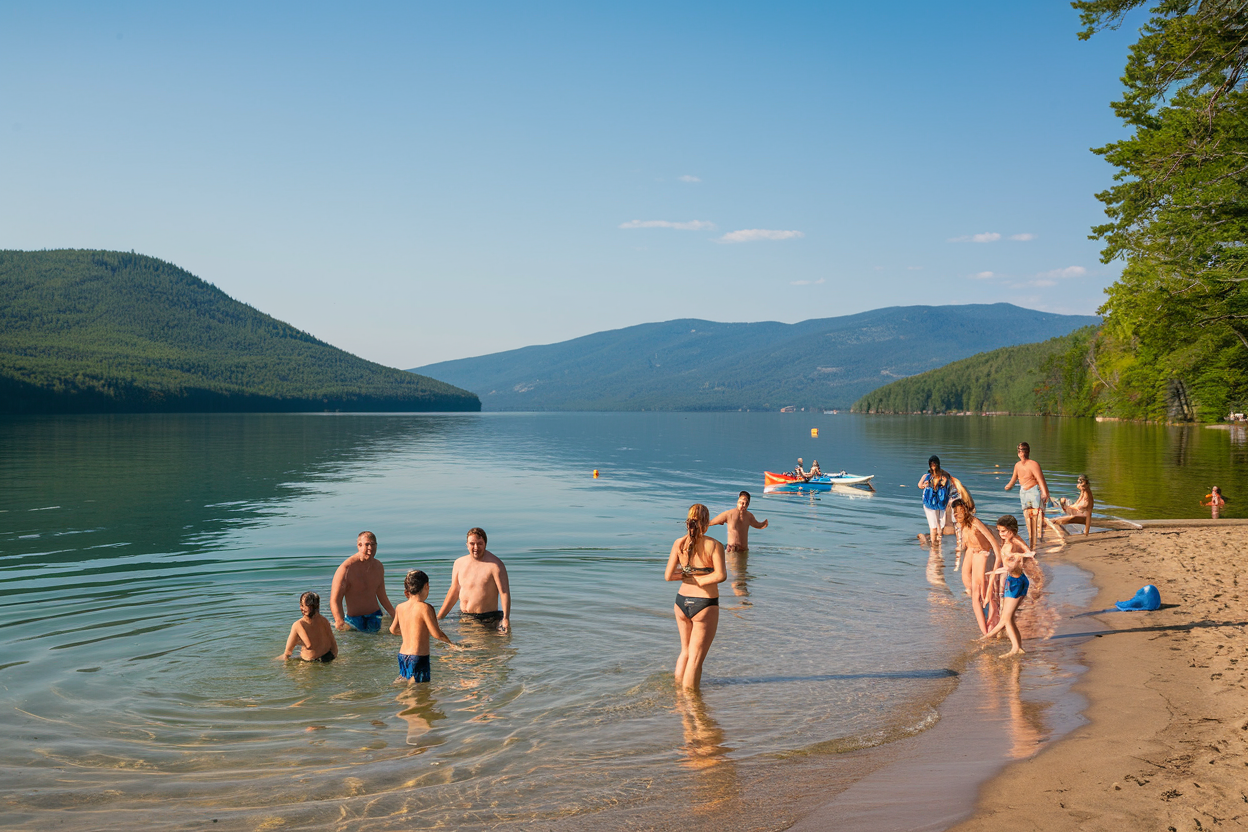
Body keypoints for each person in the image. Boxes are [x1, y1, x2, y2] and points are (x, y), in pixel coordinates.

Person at [665, 504, 726, 690]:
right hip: (704, 604)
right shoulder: (714, 545)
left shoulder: (679, 543)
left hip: (681, 602)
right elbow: (720, 576)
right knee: (696, 660)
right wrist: (700, 579)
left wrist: (689, 575)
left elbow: (668, 576)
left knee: (685, 652)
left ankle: (678, 699)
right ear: (706, 523)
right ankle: (692, 704)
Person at [438, 527, 512, 633]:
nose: (476, 547)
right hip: (464, 617)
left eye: (480, 543)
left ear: (485, 544)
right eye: (472, 543)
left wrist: (506, 618)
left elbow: (504, 593)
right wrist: (439, 617)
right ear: (467, 544)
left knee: (475, 647)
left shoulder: (495, 565)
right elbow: (454, 591)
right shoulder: (459, 563)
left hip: (486, 619)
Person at [981, 515, 1035, 657]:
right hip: (1014, 580)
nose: (1001, 534)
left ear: (1012, 530)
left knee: (1007, 618)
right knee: (1007, 618)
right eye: (999, 531)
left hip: (1016, 582)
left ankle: (1014, 648)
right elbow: (1021, 556)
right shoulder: (1012, 541)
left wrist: (1018, 557)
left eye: (1004, 531)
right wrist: (996, 571)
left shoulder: (1013, 543)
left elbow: (1030, 553)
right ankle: (1016, 647)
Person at [391, 570, 455, 684]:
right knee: (418, 691)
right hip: (418, 656)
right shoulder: (425, 608)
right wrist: (451, 644)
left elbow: (393, 630)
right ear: (426, 586)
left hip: (402, 655)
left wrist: (409, 633)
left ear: (407, 591)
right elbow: (436, 634)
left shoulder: (400, 607)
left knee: (405, 682)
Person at [330, 531, 396, 632]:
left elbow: (382, 595)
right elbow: (335, 600)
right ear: (359, 546)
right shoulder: (346, 569)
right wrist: (339, 620)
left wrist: (394, 614)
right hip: (354, 619)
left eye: (373, 544)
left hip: (375, 616)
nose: (370, 548)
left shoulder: (378, 567)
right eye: (367, 544)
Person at [952, 502, 1001, 636]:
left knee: (986, 595)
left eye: (959, 511)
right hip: (974, 555)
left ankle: (992, 626)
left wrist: (997, 563)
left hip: (984, 555)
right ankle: (985, 631)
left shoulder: (975, 522)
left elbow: (993, 542)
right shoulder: (961, 525)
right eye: (954, 512)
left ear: (965, 511)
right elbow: (966, 545)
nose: (956, 515)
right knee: (975, 596)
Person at [1003, 442, 1049, 548]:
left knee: (1037, 516)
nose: (1022, 453)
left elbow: (1040, 479)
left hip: (1033, 491)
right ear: (1018, 453)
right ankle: (1031, 539)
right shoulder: (1017, 465)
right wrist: (1008, 486)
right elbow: (1014, 478)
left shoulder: (1033, 464)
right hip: (1023, 492)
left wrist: (1045, 492)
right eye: (1020, 451)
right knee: (1027, 516)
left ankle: (1039, 538)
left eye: (1023, 450)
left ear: (1028, 452)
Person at [278, 591, 338, 662]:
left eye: (302, 605)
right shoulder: (324, 620)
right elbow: (334, 646)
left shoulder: (298, 625)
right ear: (317, 606)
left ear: (302, 608)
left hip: (310, 663)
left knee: (277, 659)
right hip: (328, 657)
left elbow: (288, 653)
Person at [917, 455, 954, 546]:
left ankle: (936, 544)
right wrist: (925, 485)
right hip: (933, 502)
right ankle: (935, 544)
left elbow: (920, 485)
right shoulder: (929, 476)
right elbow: (920, 485)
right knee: (936, 525)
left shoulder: (942, 476)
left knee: (939, 525)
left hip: (938, 502)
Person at [1049, 475, 1095, 540]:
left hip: (1081, 517)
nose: (1080, 485)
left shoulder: (1088, 498)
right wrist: (1068, 506)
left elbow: (1089, 515)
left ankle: (1061, 535)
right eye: (1080, 483)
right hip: (1076, 513)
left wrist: (1086, 532)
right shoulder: (1083, 492)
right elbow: (1076, 504)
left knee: (1055, 521)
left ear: (1087, 484)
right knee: (1062, 500)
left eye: (1082, 483)